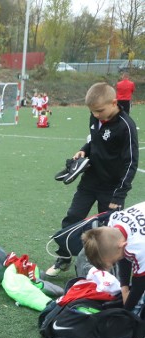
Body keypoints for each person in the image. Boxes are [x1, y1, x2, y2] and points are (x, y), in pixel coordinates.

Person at [46, 82, 139, 277]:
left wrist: (119, 195)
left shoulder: (126, 126)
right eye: (93, 112)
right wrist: (83, 150)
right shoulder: (95, 116)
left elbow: (131, 163)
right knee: (72, 218)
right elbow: (93, 141)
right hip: (89, 182)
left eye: (99, 111)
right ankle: (64, 258)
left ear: (114, 103)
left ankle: (107, 271)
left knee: (108, 232)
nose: (96, 115)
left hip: (112, 189)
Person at [81, 201, 145, 315]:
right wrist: (124, 288)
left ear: (123, 246)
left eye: (114, 261)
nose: (116, 262)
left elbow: (139, 285)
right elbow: (124, 256)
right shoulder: (113, 222)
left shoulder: (139, 246)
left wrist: (125, 312)